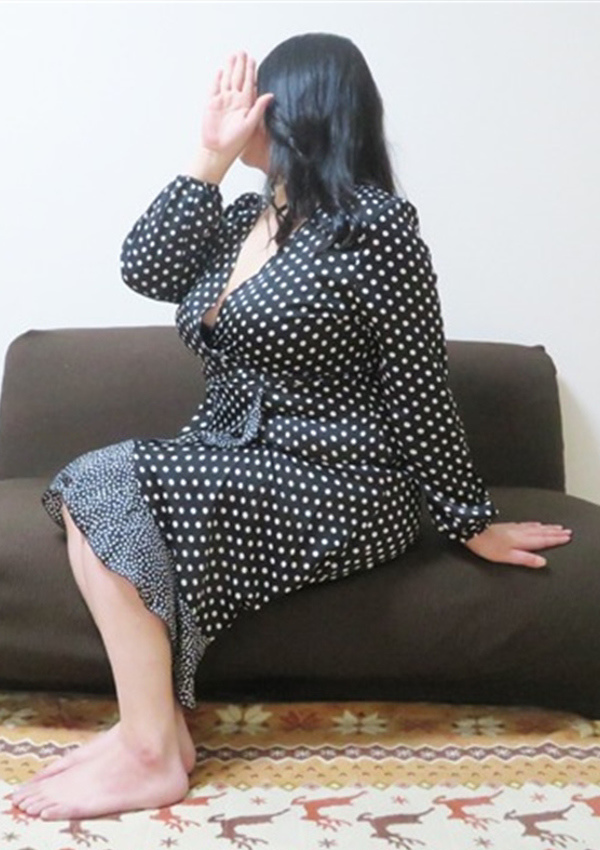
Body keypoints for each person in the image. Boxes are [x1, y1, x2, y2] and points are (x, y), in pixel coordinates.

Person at [11, 33, 571, 821]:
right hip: (234, 453)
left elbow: (419, 383)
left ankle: (149, 754)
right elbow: (145, 269)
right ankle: (153, 727)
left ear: (299, 108)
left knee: (106, 477)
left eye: (255, 98)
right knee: (90, 487)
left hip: (344, 479)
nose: (239, 110)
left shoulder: (374, 227)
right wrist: (209, 158)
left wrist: (470, 520)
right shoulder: (246, 215)